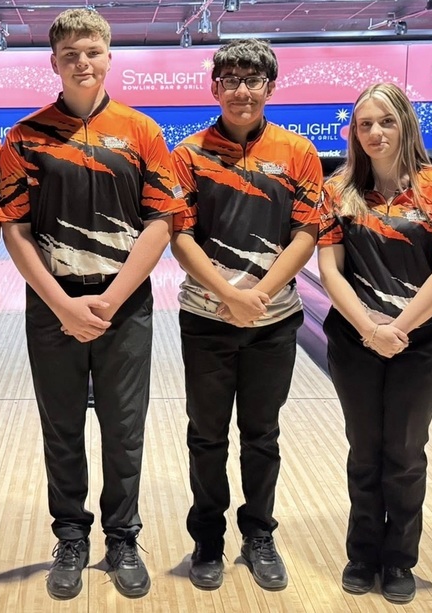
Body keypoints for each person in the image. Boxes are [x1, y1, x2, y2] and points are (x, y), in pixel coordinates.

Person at [0, 8, 186, 600]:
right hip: (52, 307)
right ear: (53, 62)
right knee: (61, 429)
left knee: (124, 429)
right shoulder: (25, 136)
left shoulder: (142, 131)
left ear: (109, 57)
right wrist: (62, 304)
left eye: (92, 52)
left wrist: (107, 300)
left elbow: (161, 221)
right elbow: (14, 229)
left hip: (121, 305)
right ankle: (71, 536)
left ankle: (122, 537)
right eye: (70, 54)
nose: (82, 62)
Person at [170, 39, 322, 592]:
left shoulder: (298, 152)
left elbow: (308, 232)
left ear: (269, 88)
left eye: (252, 80)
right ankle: (208, 538)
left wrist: (260, 295)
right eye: (230, 79)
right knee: (206, 436)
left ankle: (259, 533)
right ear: (214, 87)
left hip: (274, 321)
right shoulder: (187, 155)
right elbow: (178, 236)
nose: (240, 89)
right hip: (206, 319)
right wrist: (228, 296)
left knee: (262, 434)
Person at [318, 82, 432, 604]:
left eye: (385, 121)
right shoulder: (338, 188)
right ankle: (362, 555)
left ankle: (399, 560)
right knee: (365, 451)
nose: (375, 132)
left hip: (422, 341)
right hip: (355, 338)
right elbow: (329, 270)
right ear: (354, 133)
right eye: (365, 124)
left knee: (405, 453)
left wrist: (398, 327)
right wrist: (369, 328)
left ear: (405, 123)